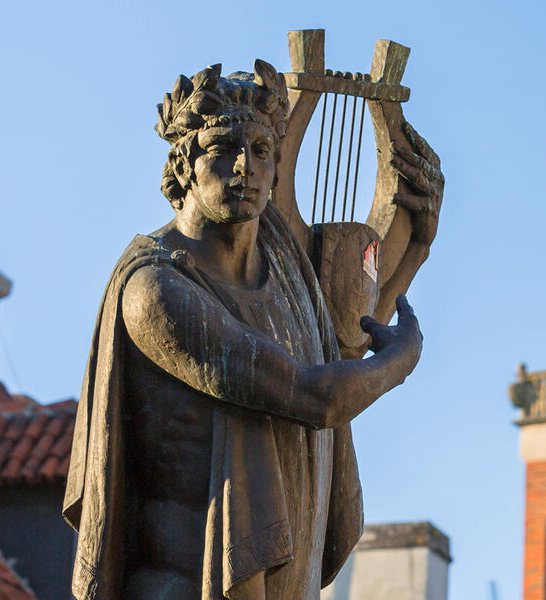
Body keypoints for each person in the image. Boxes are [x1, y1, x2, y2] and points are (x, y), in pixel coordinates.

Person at [63, 59, 443, 600]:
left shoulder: (285, 264)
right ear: (184, 164)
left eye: (262, 151)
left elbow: (344, 345)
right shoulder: (155, 290)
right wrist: (401, 361)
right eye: (223, 149)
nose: (245, 167)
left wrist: (416, 244)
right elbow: (316, 397)